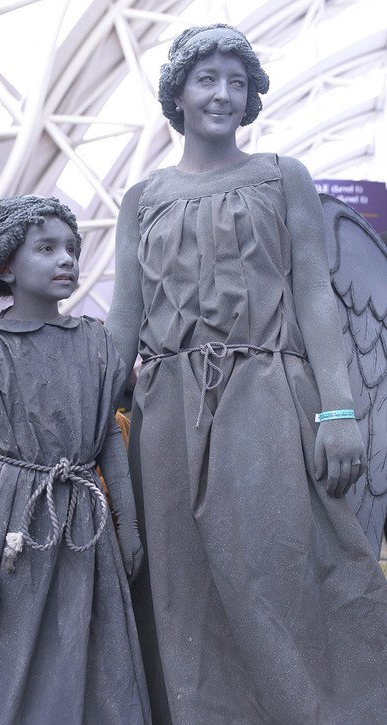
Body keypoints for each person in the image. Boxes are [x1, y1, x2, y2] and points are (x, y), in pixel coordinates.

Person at [105, 24, 387, 725]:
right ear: (177, 92)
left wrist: (338, 410)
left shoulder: (282, 176)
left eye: (238, 81)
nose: (223, 94)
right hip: (167, 413)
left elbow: (315, 294)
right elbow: (124, 316)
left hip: (266, 396)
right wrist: (83, 414)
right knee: (180, 583)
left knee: (276, 567)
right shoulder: (143, 197)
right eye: (207, 79)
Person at [0, 195, 151, 724]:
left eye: (72, 248)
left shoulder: (96, 343)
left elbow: (108, 439)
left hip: (84, 524)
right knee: (0, 645)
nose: (67, 259)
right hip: (8, 523)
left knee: (85, 640)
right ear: (5, 267)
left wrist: (127, 524)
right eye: (46, 248)